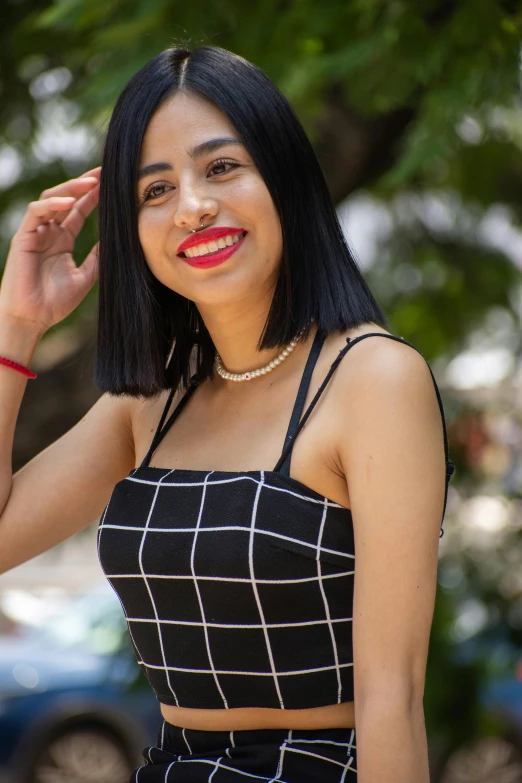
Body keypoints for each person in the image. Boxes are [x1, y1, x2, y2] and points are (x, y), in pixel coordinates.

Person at [0, 45, 455, 783]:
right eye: (154, 190)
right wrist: (17, 327)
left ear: (283, 176)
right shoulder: (151, 401)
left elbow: (391, 697)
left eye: (220, 167)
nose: (192, 206)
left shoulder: (372, 380)